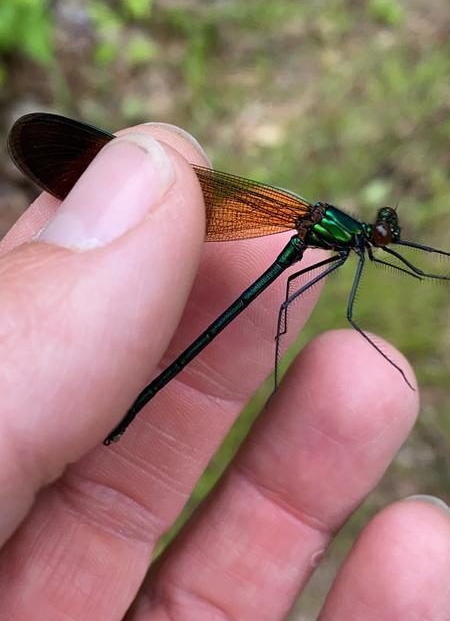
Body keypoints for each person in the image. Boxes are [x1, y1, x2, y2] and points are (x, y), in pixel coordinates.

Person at [0, 122, 448, 620]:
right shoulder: (345, 235)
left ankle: (125, 418)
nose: (383, 241)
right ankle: (125, 417)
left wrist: (431, 267)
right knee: (328, 318)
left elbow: (407, 264)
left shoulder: (352, 238)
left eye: (384, 236)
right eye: (382, 236)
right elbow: (347, 313)